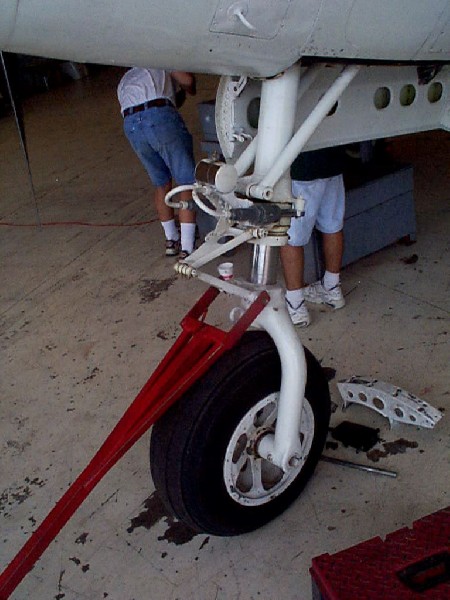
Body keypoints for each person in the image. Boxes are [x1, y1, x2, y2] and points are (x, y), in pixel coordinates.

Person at [118, 67, 197, 259]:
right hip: (158, 116)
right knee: (186, 181)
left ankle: (171, 240)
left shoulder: (127, 77)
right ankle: (188, 248)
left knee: (161, 183)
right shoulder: (159, 59)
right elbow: (186, 80)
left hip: (131, 124)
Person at [280, 146, 347, 327]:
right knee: (332, 226)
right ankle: (332, 289)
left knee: (290, 237)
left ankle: (296, 305)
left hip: (302, 167)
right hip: (332, 163)